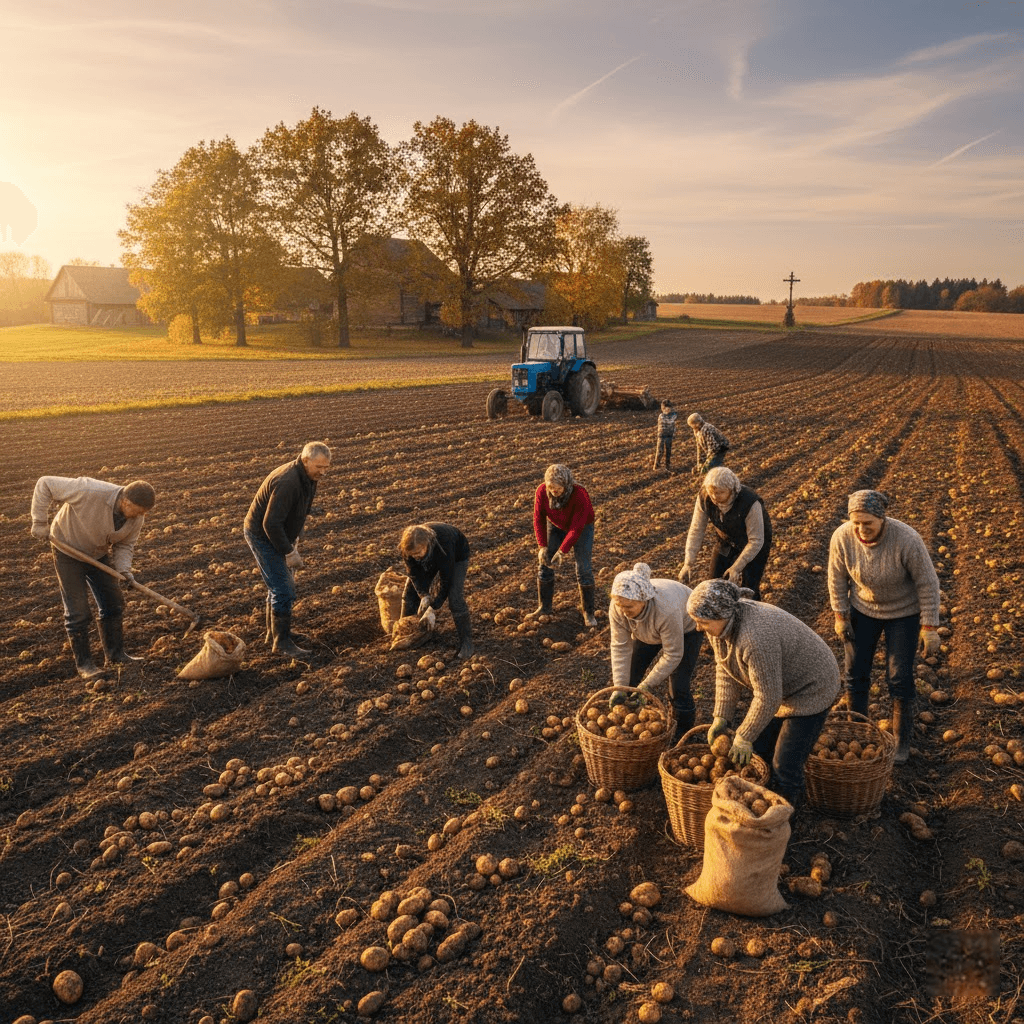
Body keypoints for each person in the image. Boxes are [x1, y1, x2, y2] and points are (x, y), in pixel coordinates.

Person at [688, 579, 839, 809]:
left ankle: (783, 825)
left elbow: (768, 697)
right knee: (760, 750)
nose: (698, 627)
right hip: (783, 687)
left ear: (723, 615)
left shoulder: (756, 638)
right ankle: (763, 805)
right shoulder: (719, 627)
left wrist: (744, 735)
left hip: (812, 687)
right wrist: (722, 716)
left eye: (702, 622)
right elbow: (726, 668)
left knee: (785, 764)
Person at [827, 489, 941, 764]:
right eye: (856, 523)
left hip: (904, 613)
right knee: (855, 673)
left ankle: (901, 743)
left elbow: (928, 583)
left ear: (882, 519)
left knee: (899, 676)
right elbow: (837, 578)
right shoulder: (842, 537)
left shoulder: (906, 539)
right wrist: (840, 616)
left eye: (869, 523)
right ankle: (860, 733)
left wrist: (929, 627)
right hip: (863, 609)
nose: (862, 529)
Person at [30, 476, 156, 679]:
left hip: (97, 554)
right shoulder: (89, 490)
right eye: (139, 511)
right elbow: (45, 483)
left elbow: (124, 545)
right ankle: (85, 665)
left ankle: (115, 655)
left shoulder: (136, 517)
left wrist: (124, 571)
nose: (141, 516)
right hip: (67, 551)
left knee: (113, 603)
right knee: (78, 610)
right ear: (126, 502)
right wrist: (39, 521)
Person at [244, 441, 331, 657]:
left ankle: (274, 634)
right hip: (262, 535)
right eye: (319, 467)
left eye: (326, 467)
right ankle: (281, 643)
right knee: (284, 588)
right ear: (305, 460)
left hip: (279, 533)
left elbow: (303, 506)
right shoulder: (288, 482)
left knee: (278, 586)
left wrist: (296, 535)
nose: (323, 472)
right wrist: (289, 552)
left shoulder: (309, 476)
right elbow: (270, 524)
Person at [607, 563, 704, 742]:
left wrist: (648, 685)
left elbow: (673, 654)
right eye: (620, 606)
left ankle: (683, 735)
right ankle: (627, 730)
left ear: (644, 600)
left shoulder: (666, 610)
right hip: (647, 631)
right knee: (630, 678)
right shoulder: (618, 606)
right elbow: (620, 646)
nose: (623, 611)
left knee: (678, 685)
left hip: (687, 628)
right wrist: (619, 686)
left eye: (628, 607)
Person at [678, 466, 772, 599]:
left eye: (720, 492)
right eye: (712, 491)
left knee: (749, 588)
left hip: (754, 542)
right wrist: (688, 563)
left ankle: (753, 614)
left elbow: (756, 540)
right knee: (714, 584)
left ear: (732, 489)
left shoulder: (750, 502)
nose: (714, 497)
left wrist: (736, 567)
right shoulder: (705, 498)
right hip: (726, 539)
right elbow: (696, 529)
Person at [532, 463, 597, 627]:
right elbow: (538, 518)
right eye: (550, 487)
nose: (553, 491)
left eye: (557, 488)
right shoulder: (541, 492)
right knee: (545, 563)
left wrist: (562, 552)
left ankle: (588, 613)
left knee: (583, 568)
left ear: (566, 484)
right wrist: (542, 547)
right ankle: (544, 607)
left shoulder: (579, 494)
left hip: (582, 528)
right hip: (555, 525)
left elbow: (576, 528)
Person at [400, 523, 474, 660]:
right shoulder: (407, 549)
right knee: (409, 595)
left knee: (455, 599)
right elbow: (414, 574)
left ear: (427, 544)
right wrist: (423, 595)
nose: (415, 556)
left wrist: (433, 608)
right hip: (432, 556)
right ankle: (406, 633)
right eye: (413, 554)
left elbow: (446, 581)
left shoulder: (444, 545)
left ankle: (467, 643)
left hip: (457, 555)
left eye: (418, 552)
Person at [653, 399, 678, 472]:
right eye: (667, 409)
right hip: (662, 436)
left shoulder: (671, 415)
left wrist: (674, 432)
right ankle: (656, 465)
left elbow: (673, 425)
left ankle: (668, 465)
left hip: (669, 435)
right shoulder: (661, 416)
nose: (668, 410)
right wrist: (674, 414)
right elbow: (670, 421)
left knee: (668, 450)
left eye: (669, 409)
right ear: (663, 409)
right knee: (660, 451)